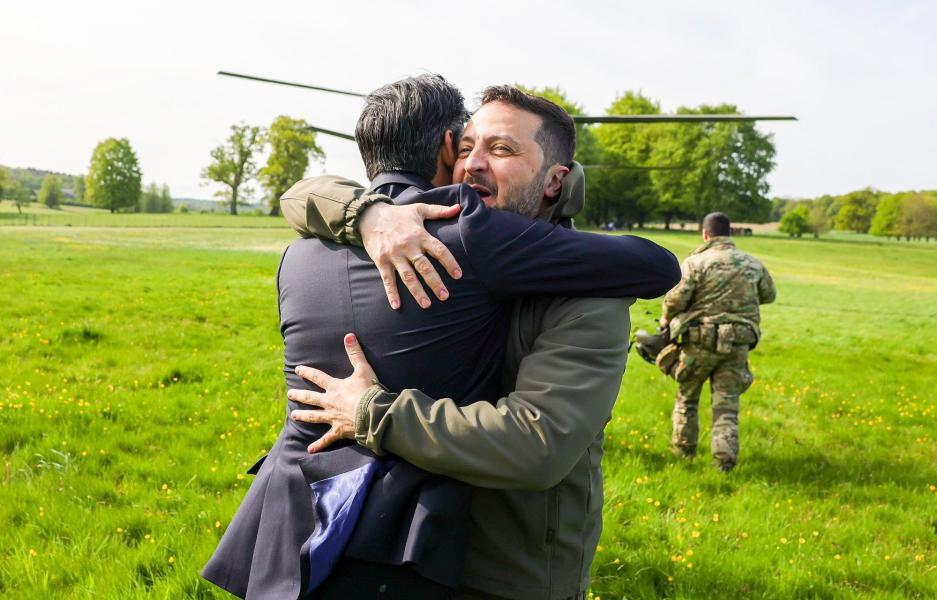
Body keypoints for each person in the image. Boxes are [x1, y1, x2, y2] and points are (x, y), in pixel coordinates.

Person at [202, 76, 680, 600]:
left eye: (501, 149)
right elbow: (299, 195)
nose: (474, 163)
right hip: (409, 550)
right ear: (447, 149)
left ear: (553, 181)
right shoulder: (422, 235)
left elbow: (538, 442)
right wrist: (369, 213)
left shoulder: (589, 290)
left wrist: (374, 412)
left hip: (505, 569)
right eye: (469, 145)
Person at [657, 212, 776, 471]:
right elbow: (769, 295)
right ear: (730, 233)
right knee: (727, 406)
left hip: (699, 342)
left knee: (687, 399)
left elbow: (675, 299)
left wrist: (665, 321)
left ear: (705, 234)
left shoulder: (695, 263)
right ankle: (724, 462)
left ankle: (683, 454)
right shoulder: (752, 263)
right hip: (737, 345)